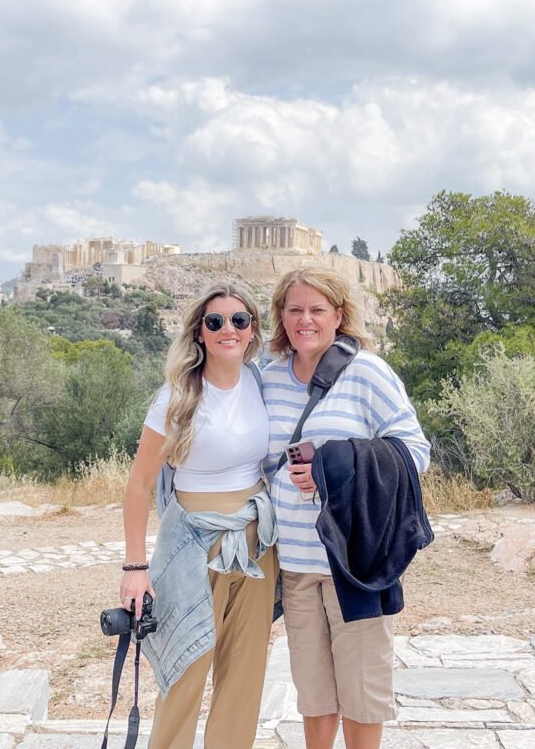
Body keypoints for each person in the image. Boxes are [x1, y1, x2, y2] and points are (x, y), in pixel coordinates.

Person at [263, 266, 430, 749]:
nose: (305, 320)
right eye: (294, 309)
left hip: (353, 561)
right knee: (314, 694)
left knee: (361, 692)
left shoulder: (367, 372)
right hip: (295, 564)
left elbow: (415, 451)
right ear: (281, 316)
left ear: (338, 315)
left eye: (317, 310)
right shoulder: (269, 377)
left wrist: (331, 463)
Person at [119, 282, 278, 749]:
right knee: (186, 669)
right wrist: (134, 568)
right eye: (215, 322)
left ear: (252, 331)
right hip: (192, 543)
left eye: (238, 320)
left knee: (245, 673)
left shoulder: (260, 381)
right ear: (200, 333)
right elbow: (137, 486)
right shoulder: (175, 398)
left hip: (255, 540)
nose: (228, 329)